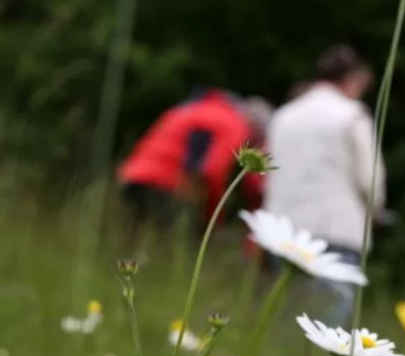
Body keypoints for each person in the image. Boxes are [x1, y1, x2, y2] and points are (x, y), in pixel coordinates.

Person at [263, 45, 384, 324]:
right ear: (352, 78)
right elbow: (371, 179)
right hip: (335, 229)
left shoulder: (284, 115)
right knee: (328, 325)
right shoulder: (352, 115)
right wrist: (376, 211)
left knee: (289, 317)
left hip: (281, 228)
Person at [118, 89, 272, 237]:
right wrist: (213, 219)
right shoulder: (235, 125)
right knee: (169, 246)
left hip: (132, 176)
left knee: (134, 242)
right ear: (254, 127)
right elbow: (213, 172)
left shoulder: (196, 107)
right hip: (166, 185)